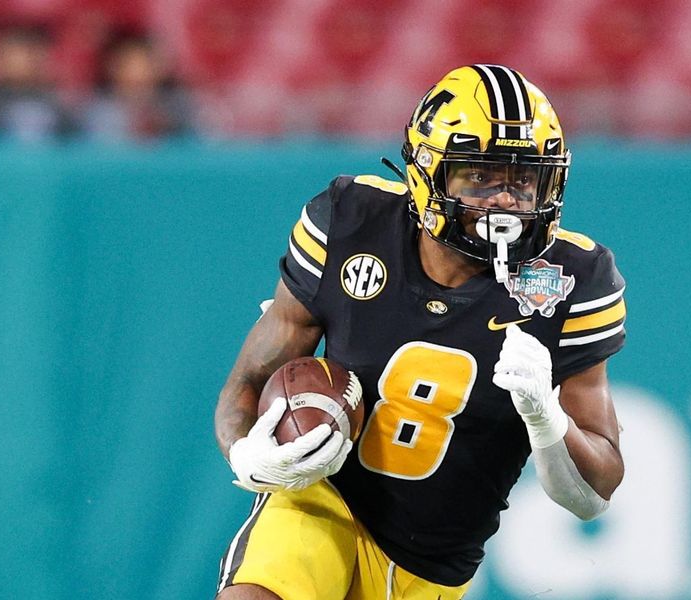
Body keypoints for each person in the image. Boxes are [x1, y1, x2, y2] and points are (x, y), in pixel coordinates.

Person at [214, 64, 626, 600]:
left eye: (524, 178)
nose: (504, 199)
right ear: (427, 174)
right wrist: (245, 453)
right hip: (322, 505)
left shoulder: (574, 279)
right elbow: (249, 379)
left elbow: (593, 496)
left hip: (434, 567)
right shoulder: (350, 221)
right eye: (480, 175)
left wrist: (548, 422)